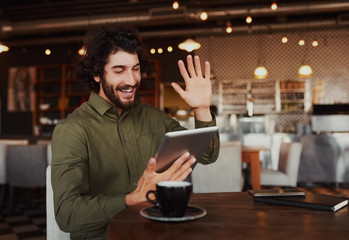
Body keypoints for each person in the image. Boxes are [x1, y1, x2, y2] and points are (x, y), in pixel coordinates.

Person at [51, 25, 220, 239]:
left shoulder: (154, 117)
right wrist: (130, 199)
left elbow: (207, 155)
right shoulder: (72, 130)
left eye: (136, 68)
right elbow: (66, 214)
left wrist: (202, 109)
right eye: (119, 70)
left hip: (153, 232)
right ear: (96, 74)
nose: (131, 80)